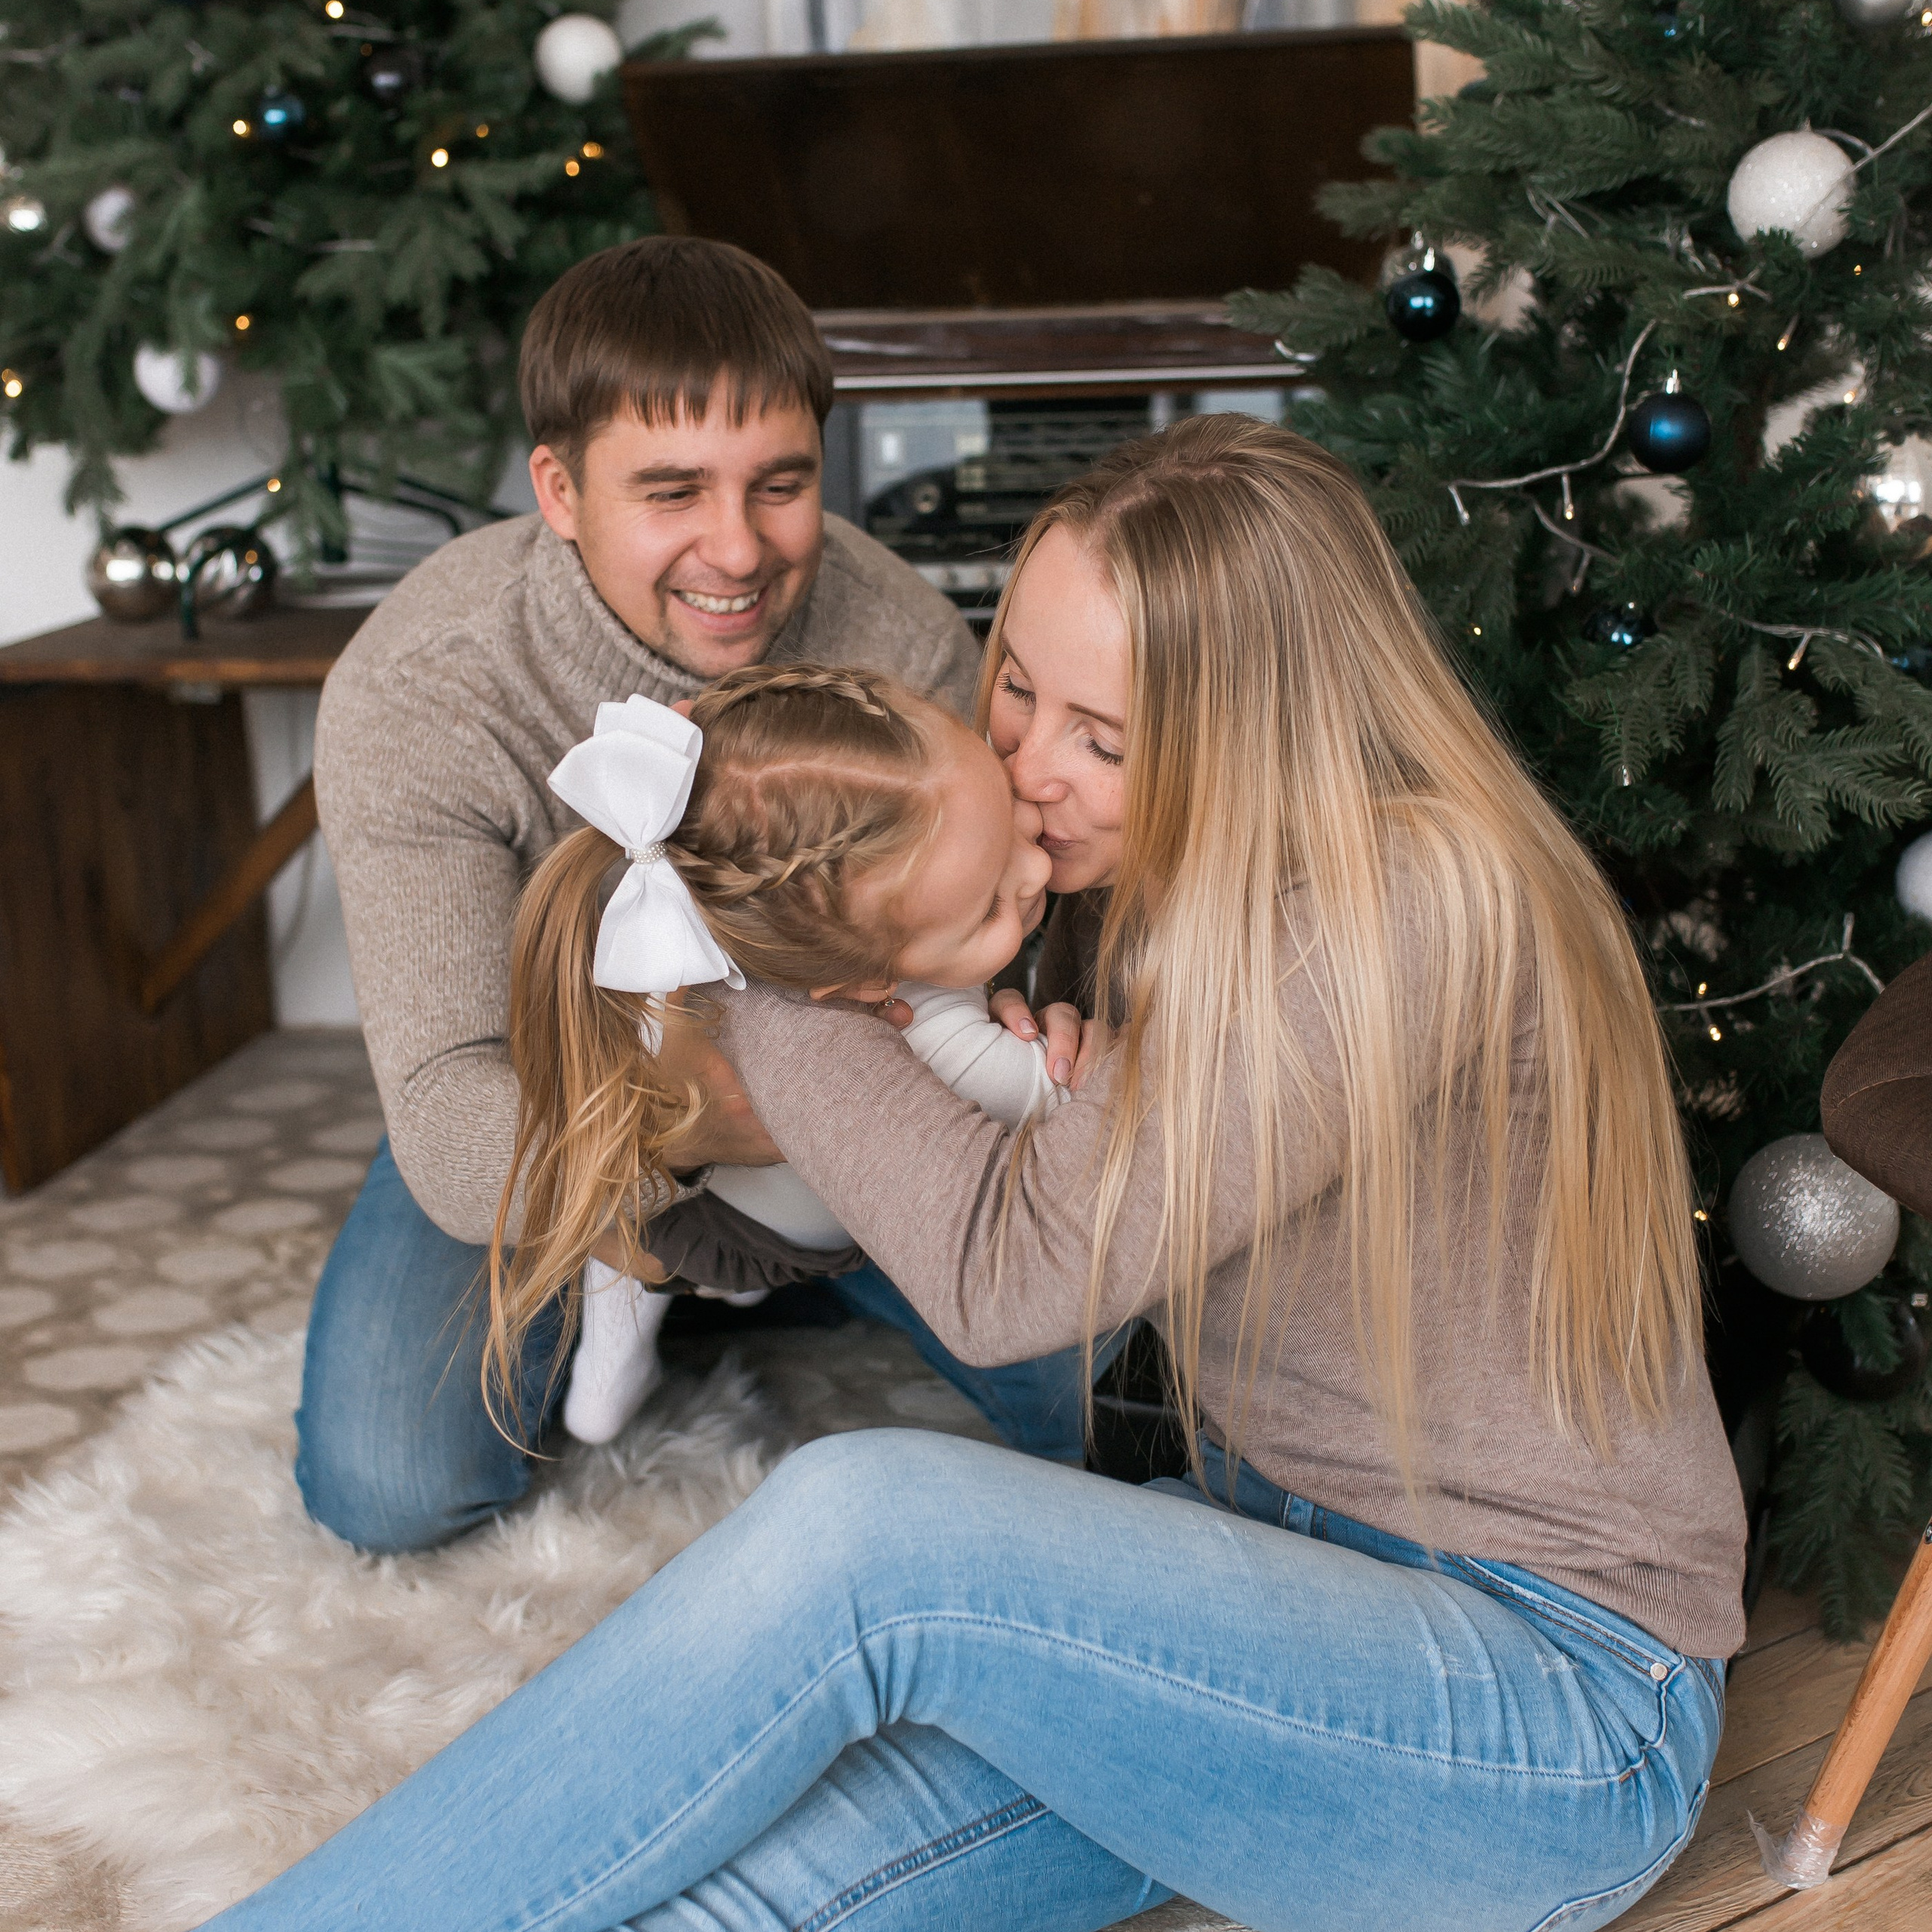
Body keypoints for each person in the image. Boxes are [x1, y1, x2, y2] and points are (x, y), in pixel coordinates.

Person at [211, 416, 1746, 1932]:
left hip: (1541, 1712)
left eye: (1105, 736)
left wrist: (744, 941)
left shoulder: (1405, 900)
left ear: (1252, 735)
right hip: (1271, 1589)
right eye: (1015, 686)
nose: (1026, 765)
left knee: (868, 1533)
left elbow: (1005, 1277)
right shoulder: (1137, 875)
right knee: (731, 1894)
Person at [300, 235, 1094, 1556]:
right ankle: (717, 1285)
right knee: (390, 1482)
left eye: (780, 484)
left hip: (866, 1107)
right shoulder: (422, 690)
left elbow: (988, 946)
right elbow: (450, 1114)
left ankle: (795, 1279)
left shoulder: (895, 635)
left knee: (1109, 1403)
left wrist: (1028, 1030)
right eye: (672, 492)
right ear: (557, 488)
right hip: (556, 1099)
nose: (739, 549)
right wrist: (684, 1180)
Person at [497, 664, 1061, 1444]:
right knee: (635, 1246)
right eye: (993, 903)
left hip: (728, 1186)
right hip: (746, 1237)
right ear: (867, 980)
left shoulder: (750, 909)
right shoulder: (928, 1036)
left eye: (1011, 824)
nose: (1038, 869)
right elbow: (1074, 1096)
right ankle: (606, 1369)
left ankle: (608, 1363)